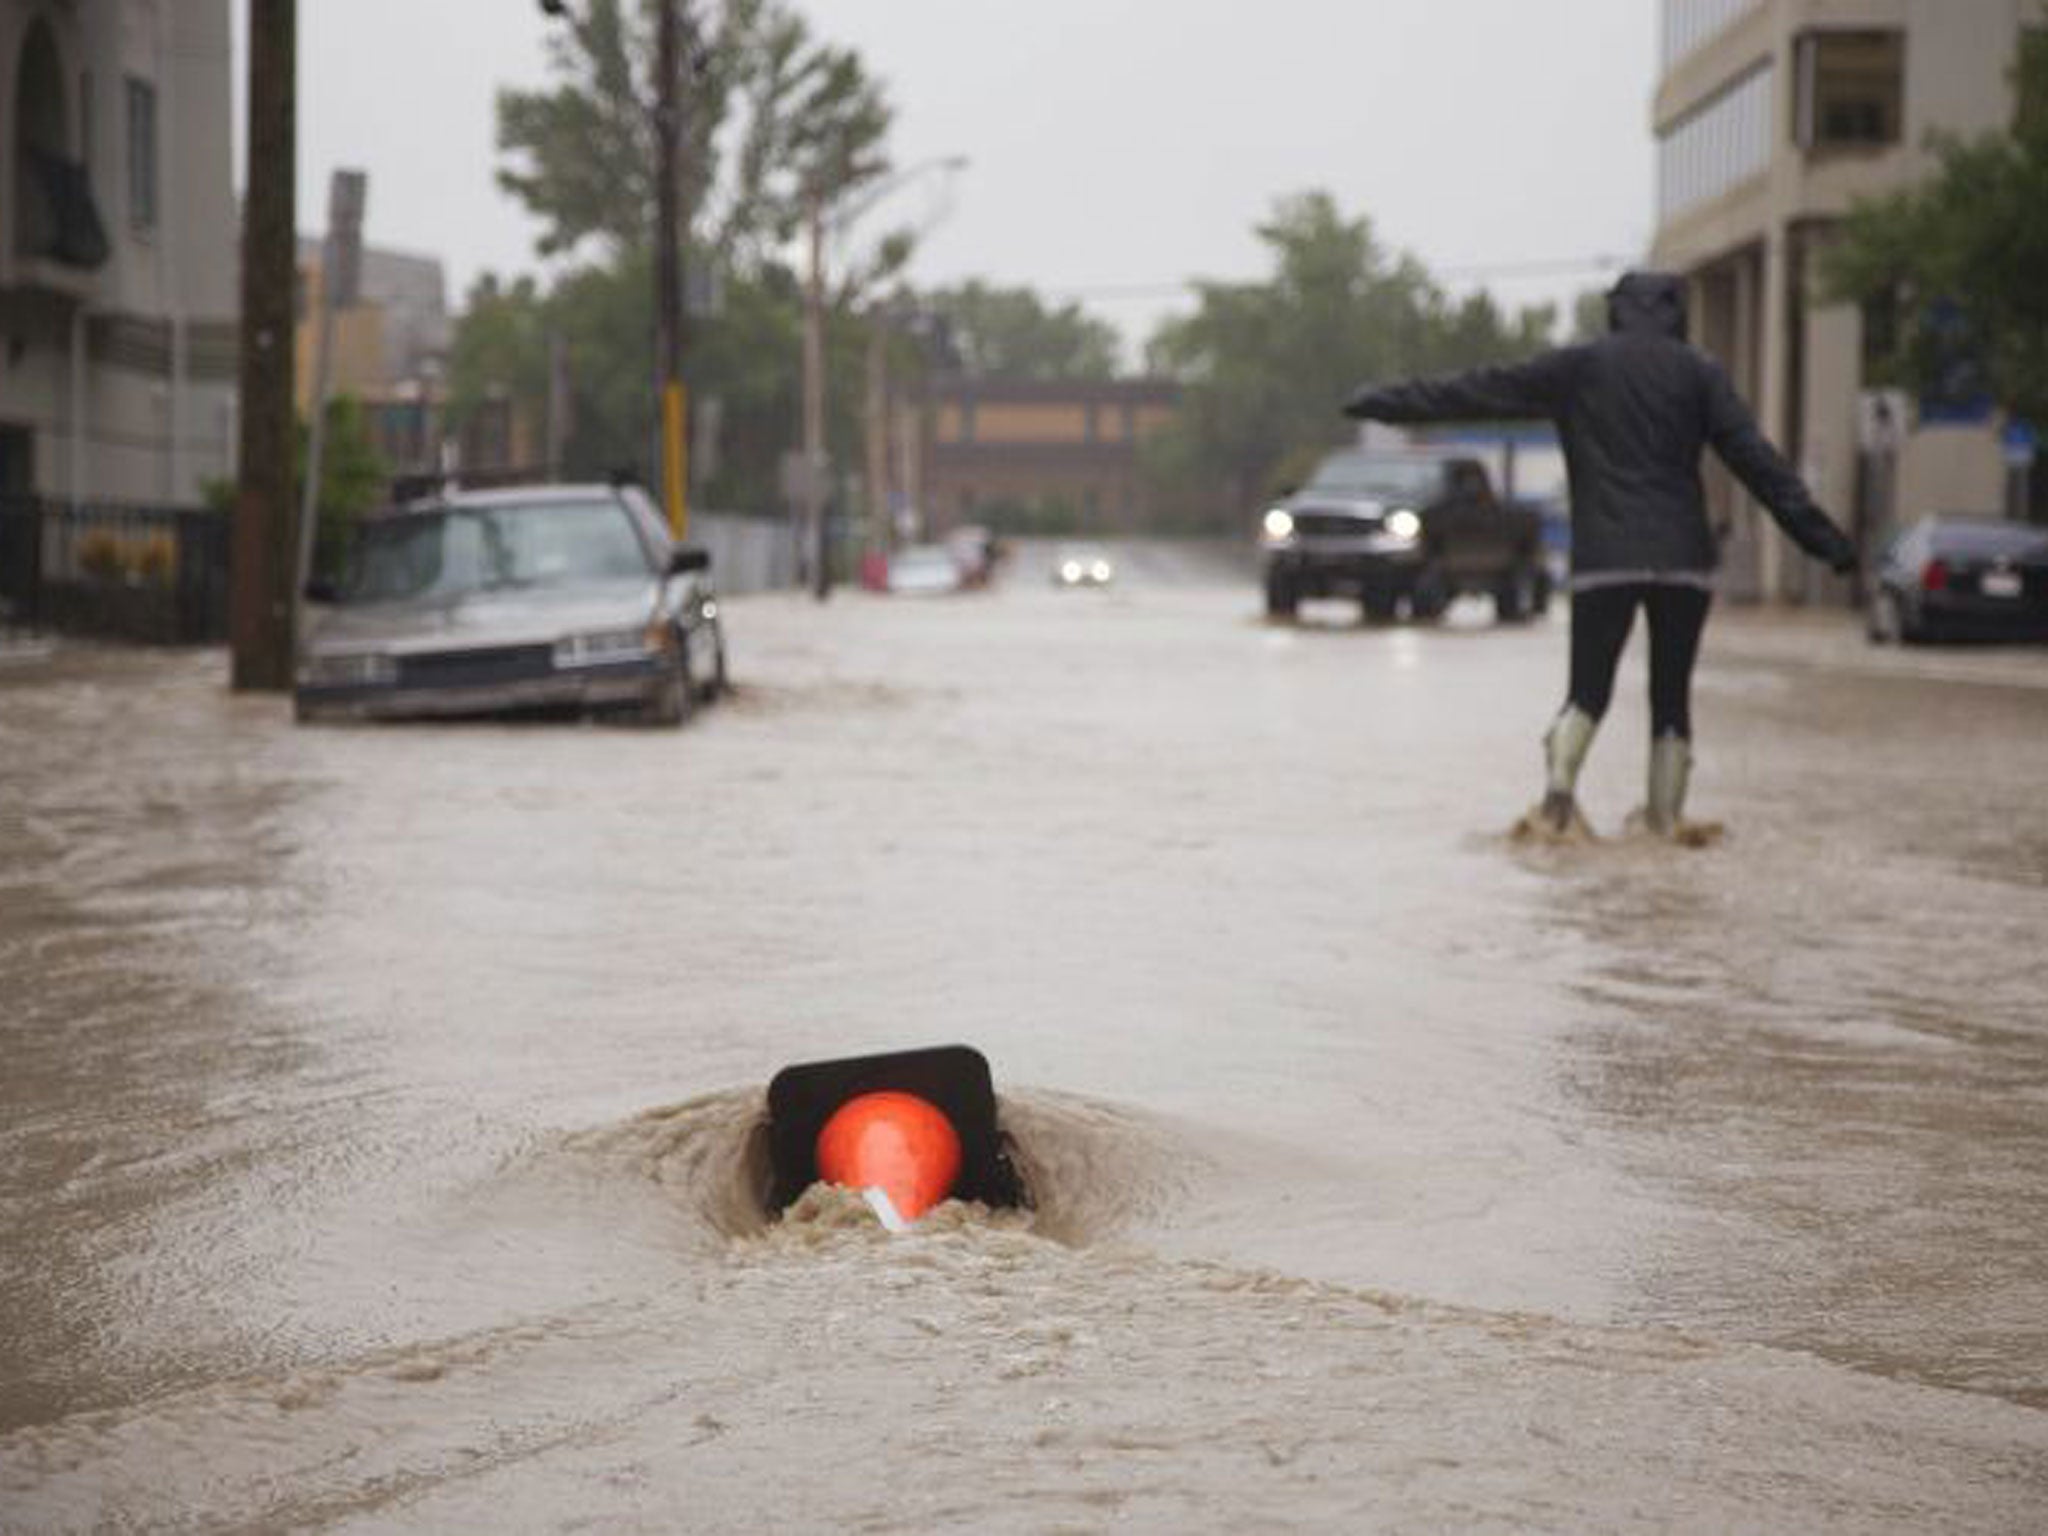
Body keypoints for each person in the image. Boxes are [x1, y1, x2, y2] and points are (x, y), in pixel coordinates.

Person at [1342, 270, 1858, 836]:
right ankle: (1665, 820)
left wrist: (1382, 402)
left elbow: (1474, 389)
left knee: (1588, 690)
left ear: (1614, 311)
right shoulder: (1699, 374)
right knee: (1671, 698)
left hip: (1603, 560)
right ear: (1677, 312)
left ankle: (1558, 800)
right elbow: (1760, 464)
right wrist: (1824, 541)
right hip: (1683, 560)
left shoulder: (1578, 368)